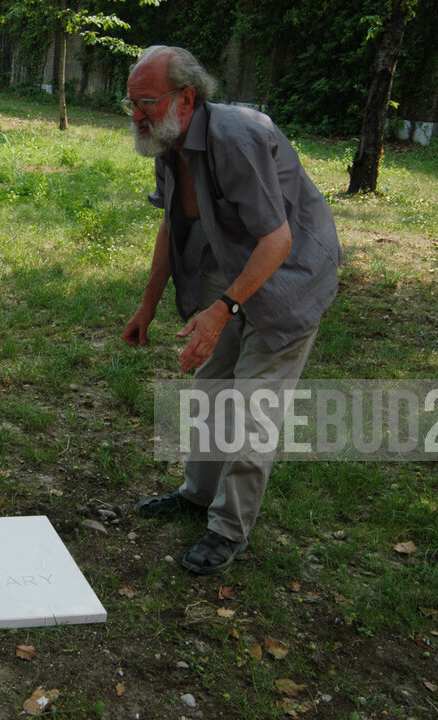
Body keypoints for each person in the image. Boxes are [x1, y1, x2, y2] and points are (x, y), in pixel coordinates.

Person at [120, 46, 342, 574]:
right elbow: (172, 224)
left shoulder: (236, 137)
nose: (136, 116)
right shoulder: (166, 141)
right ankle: (197, 493)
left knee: (252, 407)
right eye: (130, 103)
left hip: (289, 273)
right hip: (230, 265)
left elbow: (277, 239)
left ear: (187, 98)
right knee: (212, 388)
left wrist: (220, 311)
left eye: (146, 102)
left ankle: (228, 529)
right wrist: (147, 306)